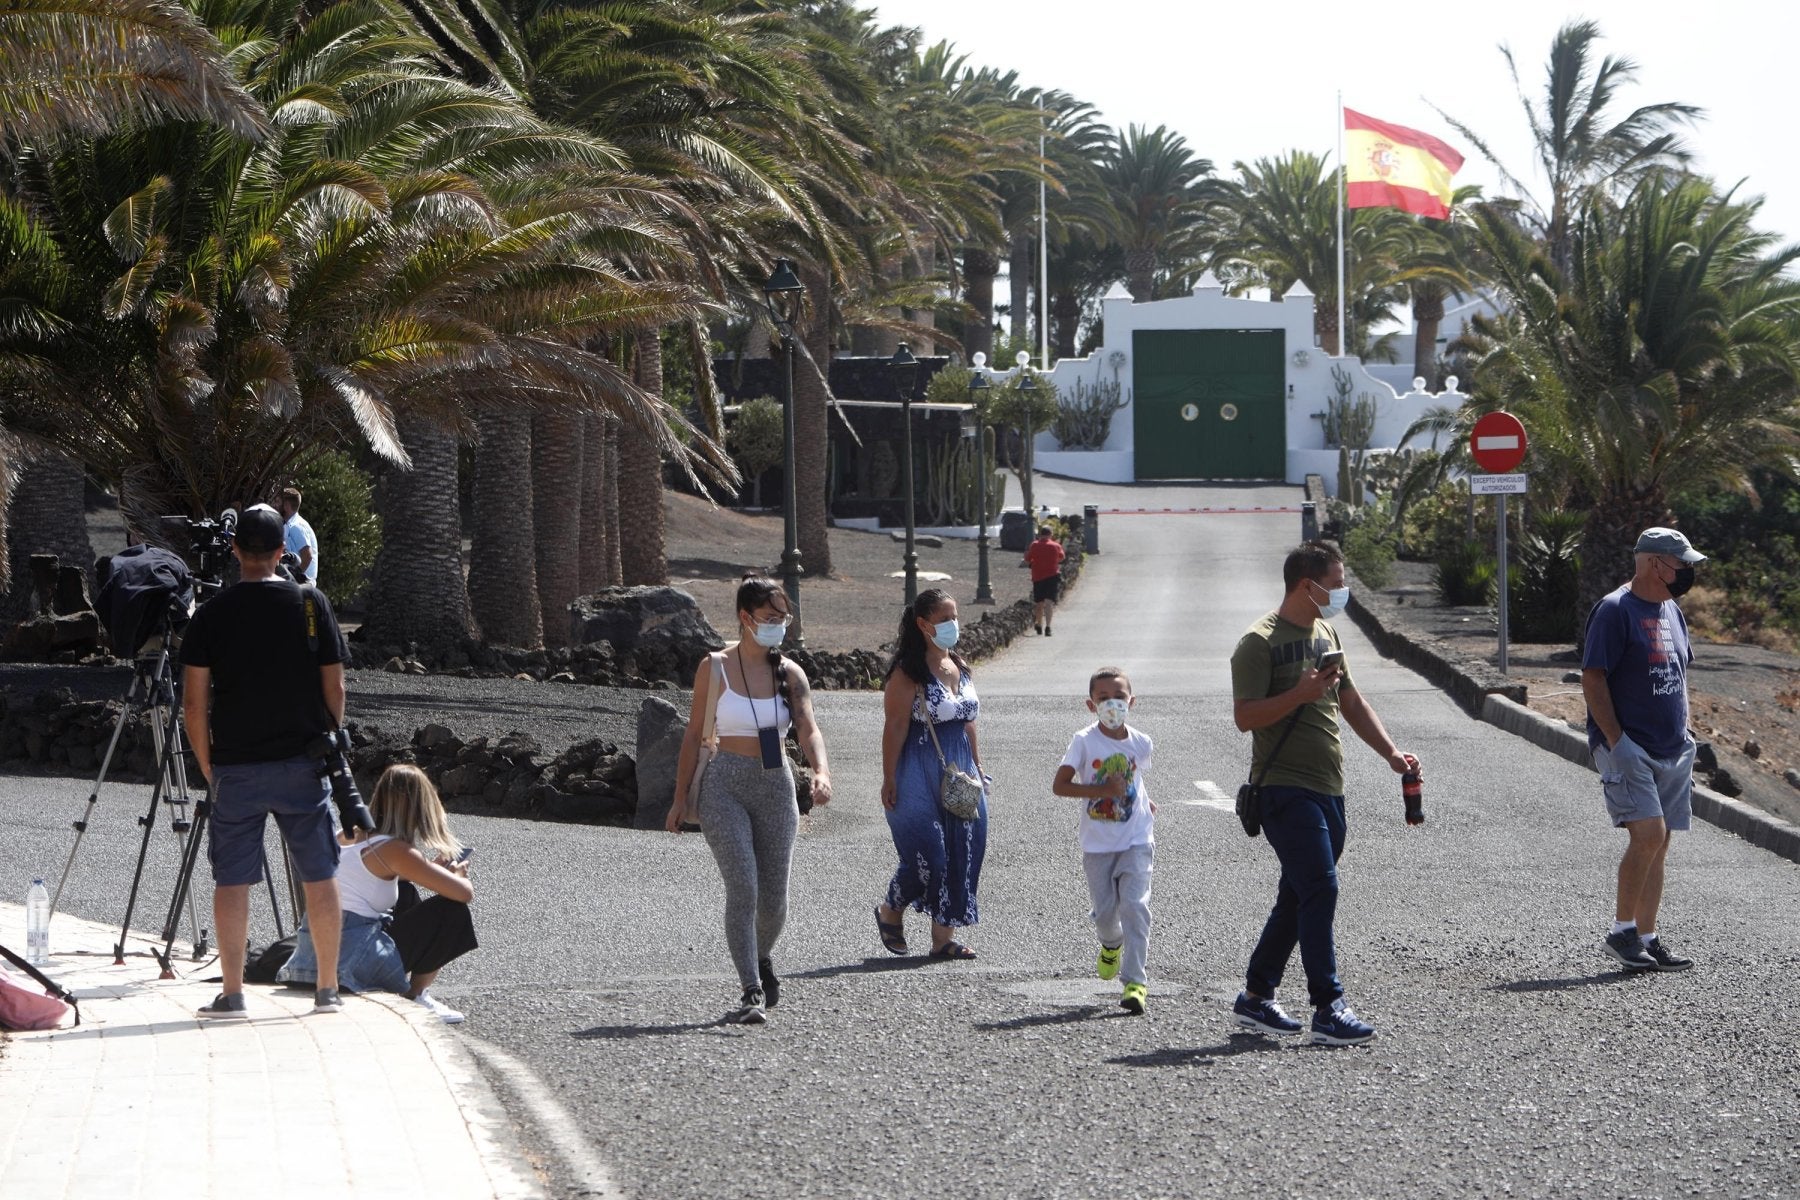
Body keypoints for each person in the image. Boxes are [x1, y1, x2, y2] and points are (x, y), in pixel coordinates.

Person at [1228, 539, 1417, 1046]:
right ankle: (1328, 1007)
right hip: (1283, 789)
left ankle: (1255, 998)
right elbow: (1245, 717)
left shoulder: (1327, 631)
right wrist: (1300, 693)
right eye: (1334, 584)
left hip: (1330, 787)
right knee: (1321, 887)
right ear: (1306, 585)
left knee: (1297, 895)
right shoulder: (1258, 642)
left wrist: (1391, 754)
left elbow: (1351, 701)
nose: (1341, 593)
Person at [180, 504, 347, 1017]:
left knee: (232, 879)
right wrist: (330, 737)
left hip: (236, 765)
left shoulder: (211, 615)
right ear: (282, 551)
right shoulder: (311, 603)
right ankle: (326, 990)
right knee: (318, 875)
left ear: (235, 550)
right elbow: (335, 688)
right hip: (303, 760)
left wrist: (210, 766)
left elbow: (193, 704)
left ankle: (233, 992)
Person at [667, 578, 833, 1025]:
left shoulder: (790, 672)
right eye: (771, 618)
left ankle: (760, 956)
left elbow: (807, 727)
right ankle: (750, 989)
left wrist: (820, 770)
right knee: (744, 888)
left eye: (785, 619)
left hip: (776, 785)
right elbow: (692, 734)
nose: (780, 627)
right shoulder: (715, 667)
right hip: (725, 785)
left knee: (774, 899)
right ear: (746, 618)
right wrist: (680, 798)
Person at [1581, 527, 1705, 973]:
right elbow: (1593, 676)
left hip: (1673, 747)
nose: (1688, 572)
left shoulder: (1671, 609)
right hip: (1628, 746)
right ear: (1656, 563)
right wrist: (1617, 741)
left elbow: (1679, 672)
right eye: (1682, 563)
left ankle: (1648, 938)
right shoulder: (1616, 610)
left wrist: (1687, 733)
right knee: (1648, 835)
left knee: (1661, 841)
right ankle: (1621, 932)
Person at [280, 765, 478, 1021]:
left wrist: (427, 870)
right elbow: (463, 894)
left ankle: (409, 988)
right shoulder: (396, 850)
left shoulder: (347, 835)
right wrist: (457, 876)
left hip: (311, 960)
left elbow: (367, 876)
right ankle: (416, 996)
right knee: (452, 910)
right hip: (351, 962)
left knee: (404, 890)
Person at [874, 588, 988, 961]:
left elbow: (968, 721)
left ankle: (943, 939)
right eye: (945, 619)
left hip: (961, 770)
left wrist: (977, 764)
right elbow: (894, 728)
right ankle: (891, 908)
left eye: (955, 617)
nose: (953, 625)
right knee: (930, 855)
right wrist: (889, 779)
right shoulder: (909, 672)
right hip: (917, 769)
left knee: (964, 850)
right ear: (924, 624)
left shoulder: (959, 663)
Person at [1052, 667, 1155, 1014]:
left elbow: (1134, 778)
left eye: (1119, 698)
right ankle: (1111, 944)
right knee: (1107, 915)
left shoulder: (1141, 742)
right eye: (1103, 699)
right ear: (1090, 704)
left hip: (1137, 837)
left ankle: (1135, 983)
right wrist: (1102, 791)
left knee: (1135, 907)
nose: (1113, 705)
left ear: (1132, 701)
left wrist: (1145, 800)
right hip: (1097, 845)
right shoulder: (1084, 741)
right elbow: (1060, 785)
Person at [1024, 525, 1066, 636]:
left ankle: (1039, 624)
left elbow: (1027, 559)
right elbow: (1062, 557)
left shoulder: (1034, 545)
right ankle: (1048, 627)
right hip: (1052, 576)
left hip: (1038, 577)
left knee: (1039, 603)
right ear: (1050, 534)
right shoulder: (1056, 546)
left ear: (1040, 534)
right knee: (1049, 603)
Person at [277, 487, 318, 584]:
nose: (275, 505)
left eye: (278, 502)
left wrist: (295, 575)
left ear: (286, 505)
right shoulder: (288, 525)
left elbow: (307, 556)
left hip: (302, 585)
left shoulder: (296, 527)